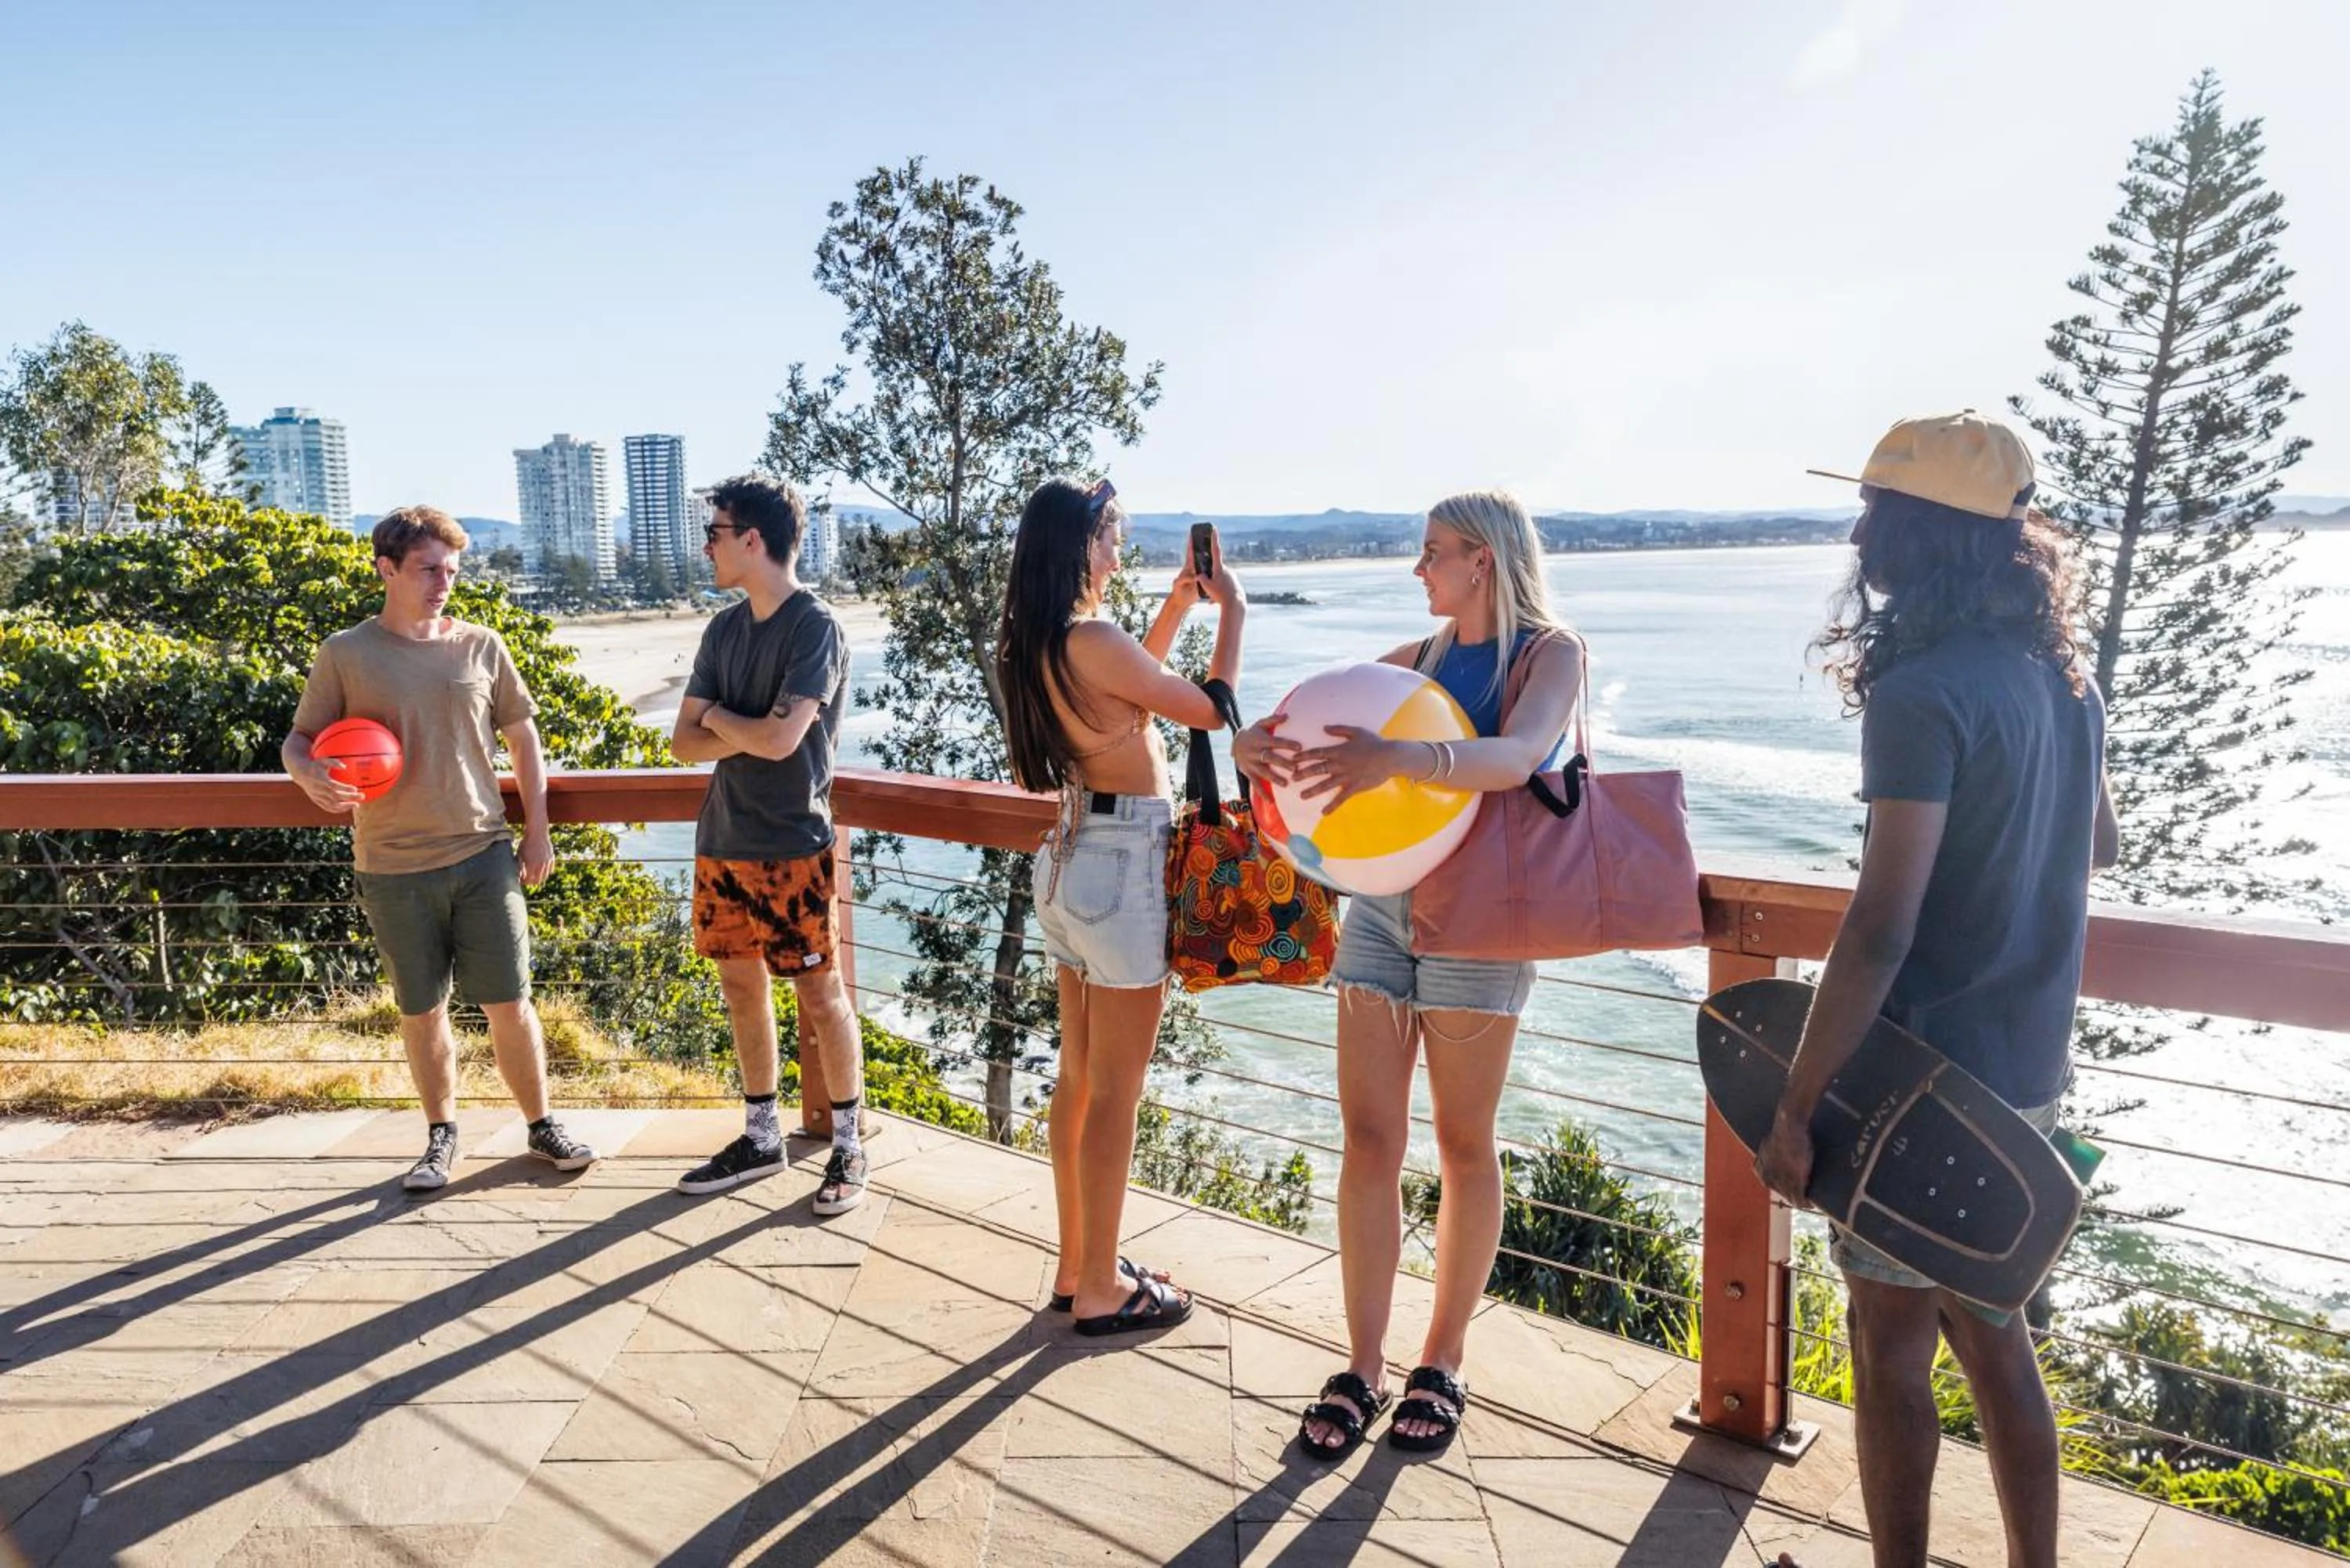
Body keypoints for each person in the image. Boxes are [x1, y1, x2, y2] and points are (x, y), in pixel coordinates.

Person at [1759, 410, 2119, 1568]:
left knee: (1890, 1345)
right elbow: (2097, 843)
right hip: (2026, 1076)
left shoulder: (1924, 693)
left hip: (1917, 1084)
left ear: (1928, 532)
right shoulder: (2062, 679)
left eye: (1880, 508)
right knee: (2000, 1337)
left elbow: (1878, 927)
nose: (1861, 528)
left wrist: (1798, 1105)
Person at [1235, 490, 1582, 1456]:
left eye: (1432, 553)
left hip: (1482, 920)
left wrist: (1405, 758)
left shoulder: (1549, 653)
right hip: (1382, 913)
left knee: (1465, 1143)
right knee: (1368, 1137)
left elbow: (1518, 756)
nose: (1417, 570)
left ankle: (1443, 1359)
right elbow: (1302, 721)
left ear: (1483, 559)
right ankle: (1364, 1363)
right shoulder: (1418, 661)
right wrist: (1249, 744)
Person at [284, 505, 597, 1191]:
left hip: (484, 852)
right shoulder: (347, 652)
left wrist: (537, 827)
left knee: (512, 1003)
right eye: (429, 569)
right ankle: (440, 1137)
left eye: (451, 570)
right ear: (387, 569)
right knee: (421, 1011)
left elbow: (523, 741)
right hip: (390, 863)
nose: (443, 582)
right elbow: (300, 740)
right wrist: (308, 775)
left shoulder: (482, 645)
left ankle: (542, 1126)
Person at [996, 476, 1246, 1335]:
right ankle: (1103, 1285)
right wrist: (1232, 614)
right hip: (1119, 867)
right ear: (1081, 545)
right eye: (1109, 538)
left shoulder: (1040, 640)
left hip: (1069, 863)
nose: (1117, 553)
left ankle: (1077, 1268)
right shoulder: (1091, 637)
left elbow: (1124, 694)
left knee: (1079, 1079)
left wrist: (1176, 609)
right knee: (1117, 1094)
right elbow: (1208, 713)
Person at [668, 475, 869, 1216]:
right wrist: (735, 725)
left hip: (791, 845)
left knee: (821, 994)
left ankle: (848, 1142)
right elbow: (682, 744)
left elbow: (785, 742)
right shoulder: (723, 630)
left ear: (752, 539)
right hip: (722, 839)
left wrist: (720, 716)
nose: (707, 546)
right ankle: (761, 1136)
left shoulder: (814, 625)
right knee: (741, 989)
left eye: (715, 533)